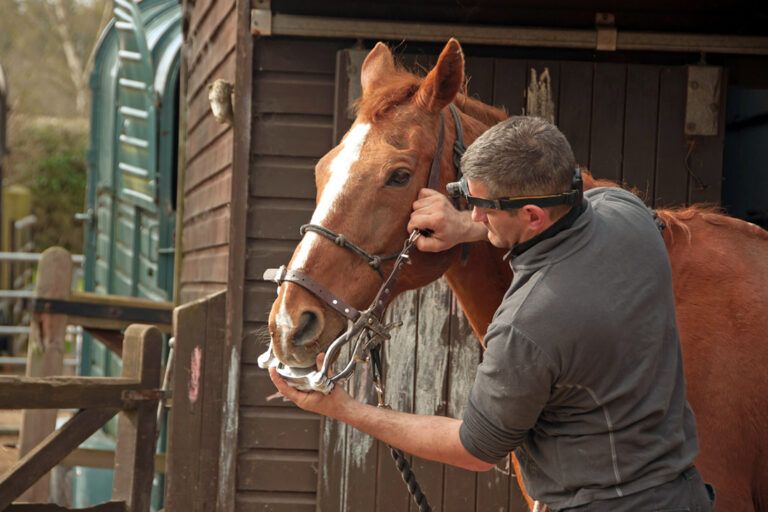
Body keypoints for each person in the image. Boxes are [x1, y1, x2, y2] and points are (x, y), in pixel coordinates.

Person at [269, 116, 713, 511]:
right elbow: (595, 204)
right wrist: (463, 227)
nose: (472, 213)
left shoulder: (529, 322)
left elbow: (474, 449)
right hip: (683, 494)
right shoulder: (628, 215)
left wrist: (345, 409)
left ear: (533, 216)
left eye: (482, 206)